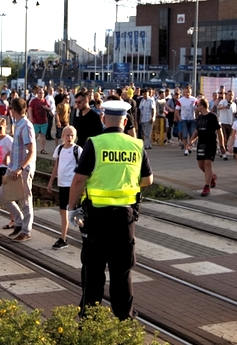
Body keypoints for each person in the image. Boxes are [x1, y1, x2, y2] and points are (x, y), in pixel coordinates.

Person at [67, 100, 153, 321]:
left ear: (104, 119)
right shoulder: (136, 145)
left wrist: (72, 208)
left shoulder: (94, 143)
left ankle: (90, 322)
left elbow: (78, 180)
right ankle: (125, 320)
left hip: (96, 217)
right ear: (125, 121)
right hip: (125, 219)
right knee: (122, 272)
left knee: (93, 272)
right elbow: (147, 180)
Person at [0, 98, 36, 242]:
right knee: (4, 194)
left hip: (22, 169)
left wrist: (21, 168)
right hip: (13, 167)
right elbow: (20, 146)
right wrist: (9, 154)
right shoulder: (18, 124)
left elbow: (31, 151)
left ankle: (26, 230)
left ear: (13, 110)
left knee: (25, 199)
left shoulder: (26, 126)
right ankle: (19, 222)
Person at [47, 126, 82, 250]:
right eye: (67, 135)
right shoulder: (60, 149)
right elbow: (56, 167)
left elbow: (82, 170)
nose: (70, 138)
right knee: (63, 212)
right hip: (62, 184)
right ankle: (63, 238)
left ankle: (86, 233)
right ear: (63, 136)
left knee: (75, 212)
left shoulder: (77, 150)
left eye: (72, 135)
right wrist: (51, 181)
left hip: (73, 185)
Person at [189, 98, 226, 196]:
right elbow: (197, 131)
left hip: (211, 144)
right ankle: (211, 177)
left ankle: (206, 187)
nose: (197, 108)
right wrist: (191, 141)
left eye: (198, 106)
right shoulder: (200, 117)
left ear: (202, 106)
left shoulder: (212, 116)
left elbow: (219, 131)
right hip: (201, 144)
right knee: (201, 165)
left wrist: (222, 145)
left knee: (207, 163)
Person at [175, 86, 197, 156]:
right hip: (184, 120)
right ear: (184, 92)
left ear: (191, 92)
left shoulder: (195, 100)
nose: (187, 93)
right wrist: (179, 118)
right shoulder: (180, 100)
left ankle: (189, 146)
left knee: (192, 134)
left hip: (192, 119)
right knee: (184, 135)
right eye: (186, 92)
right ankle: (186, 149)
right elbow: (177, 110)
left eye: (189, 92)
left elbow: (197, 109)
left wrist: (197, 117)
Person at [29, 88, 51, 154]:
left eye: (42, 93)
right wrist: (31, 118)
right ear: (37, 93)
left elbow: (49, 109)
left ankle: (42, 149)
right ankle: (31, 149)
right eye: (39, 93)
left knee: (43, 135)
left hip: (44, 121)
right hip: (36, 121)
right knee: (35, 135)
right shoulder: (34, 101)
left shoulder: (45, 101)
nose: (41, 94)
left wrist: (46, 108)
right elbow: (30, 109)